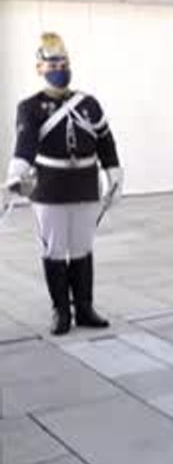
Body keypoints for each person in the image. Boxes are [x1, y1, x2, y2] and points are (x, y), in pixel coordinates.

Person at [4, 33, 118, 336]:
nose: (60, 67)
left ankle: (84, 308)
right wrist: (16, 173)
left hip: (84, 184)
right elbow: (25, 144)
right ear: (40, 68)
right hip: (51, 188)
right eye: (53, 62)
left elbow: (105, 140)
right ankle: (61, 312)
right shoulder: (30, 107)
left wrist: (114, 172)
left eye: (64, 61)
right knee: (54, 249)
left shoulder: (89, 104)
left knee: (82, 247)